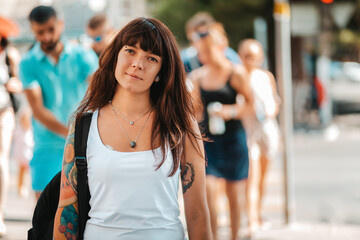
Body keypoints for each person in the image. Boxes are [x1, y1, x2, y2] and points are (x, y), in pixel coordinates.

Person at [53, 17, 212, 240]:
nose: (138, 63)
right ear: (115, 55)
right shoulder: (83, 125)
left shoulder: (180, 125)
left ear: (161, 71)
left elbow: (197, 214)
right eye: (130, 51)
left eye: (151, 58)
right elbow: (67, 210)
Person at [19, 5, 98, 199]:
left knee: (83, 212)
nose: (46, 37)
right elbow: (37, 110)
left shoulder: (83, 55)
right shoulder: (27, 62)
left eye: (51, 30)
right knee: (44, 215)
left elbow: (99, 93)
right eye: (40, 32)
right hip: (47, 145)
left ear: (60, 25)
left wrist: (81, 136)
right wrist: (71, 135)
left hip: (84, 145)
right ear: (33, 30)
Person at [189, 22, 253, 240]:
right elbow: (195, 111)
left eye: (207, 50)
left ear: (220, 47)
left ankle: (235, 236)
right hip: (209, 143)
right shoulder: (197, 77)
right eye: (200, 51)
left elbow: (251, 105)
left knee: (234, 196)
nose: (203, 55)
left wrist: (231, 111)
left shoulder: (236, 72)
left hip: (234, 141)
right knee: (209, 195)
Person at [238, 39, 281, 235]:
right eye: (247, 56)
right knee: (252, 177)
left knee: (263, 177)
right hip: (248, 132)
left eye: (254, 56)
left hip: (268, 131)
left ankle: (258, 213)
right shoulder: (237, 77)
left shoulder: (266, 76)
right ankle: (252, 219)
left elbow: (275, 102)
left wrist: (270, 112)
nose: (250, 60)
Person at [0, 18, 23, 236]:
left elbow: (19, 83)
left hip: (3, 112)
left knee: (1, 160)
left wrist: (11, 84)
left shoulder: (10, 55)